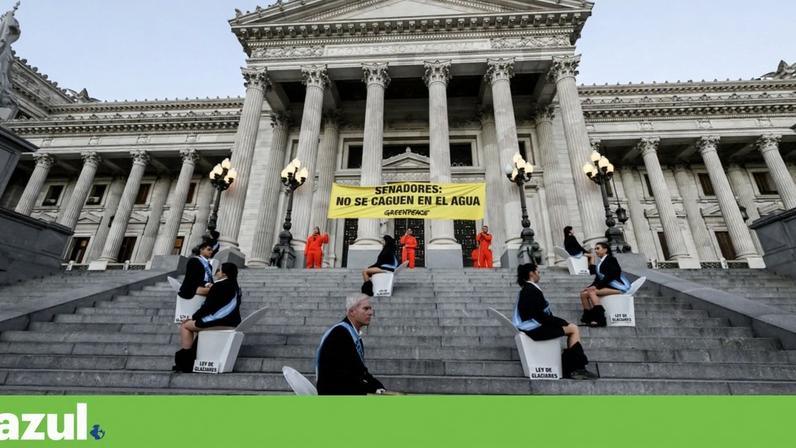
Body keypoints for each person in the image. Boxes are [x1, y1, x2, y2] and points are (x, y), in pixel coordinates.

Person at [514, 263, 597, 380]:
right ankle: (577, 368)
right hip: (535, 329)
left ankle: (573, 367)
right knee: (573, 329)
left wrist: (560, 322)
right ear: (531, 273)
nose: (539, 275)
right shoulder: (531, 290)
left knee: (571, 327)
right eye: (538, 272)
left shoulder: (527, 289)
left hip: (533, 327)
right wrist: (562, 322)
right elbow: (541, 317)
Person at [315, 292, 390, 395]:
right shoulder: (339, 334)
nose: (371, 312)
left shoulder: (350, 333)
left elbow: (361, 371)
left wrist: (380, 387)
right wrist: (374, 389)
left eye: (370, 308)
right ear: (352, 312)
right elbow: (341, 375)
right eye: (366, 309)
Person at [174, 262, 243, 372]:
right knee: (194, 326)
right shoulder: (237, 287)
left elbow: (207, 307)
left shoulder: (218, 285)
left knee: (185, 326)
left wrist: (193, 318)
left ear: (224, 273)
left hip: (218, 321)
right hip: (233, 322)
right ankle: (193, 355)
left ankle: (185, 362)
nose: (217, 272)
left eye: (219, 270)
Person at [579, 241, 631, 327]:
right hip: (608, 286)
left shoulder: (611, 259)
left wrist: (597, 287)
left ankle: (600, 319)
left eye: (598, 248)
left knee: (592, 292)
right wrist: (589, 287)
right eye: (595, 249)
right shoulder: (600, 262)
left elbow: (612, 275)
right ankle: (588, 318)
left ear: (605, 250)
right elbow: (598, 278)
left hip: (620, 287)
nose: (595, 250)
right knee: (583, 294)